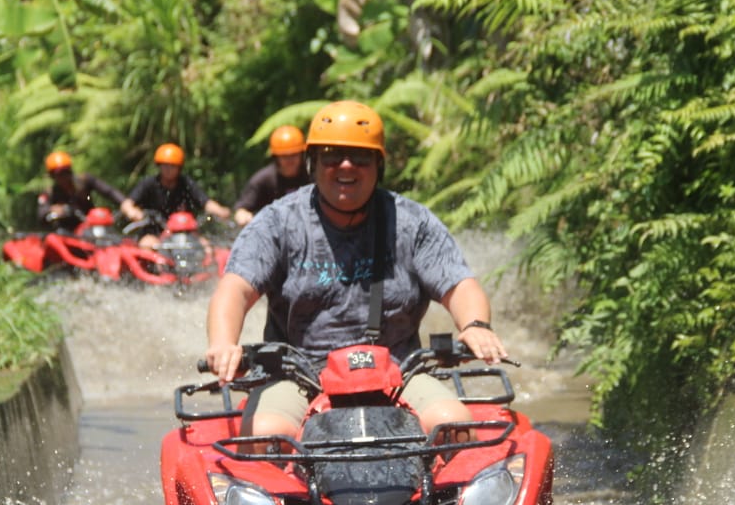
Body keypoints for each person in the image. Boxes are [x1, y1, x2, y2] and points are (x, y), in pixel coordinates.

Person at [204, 100, 508, 441]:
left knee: (451, 425)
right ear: (313, 163)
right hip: (298, 375)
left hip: (398, 371)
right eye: (332, 156)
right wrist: (223, 343)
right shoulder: (277, 222)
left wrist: (475, 326)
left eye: (361, 157)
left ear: (379, 165)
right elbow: (235, 289)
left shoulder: (413, 222)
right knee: (266, 436)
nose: (346, 165)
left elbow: (460, 285)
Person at [120, 143, 231, 247]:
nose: (168, 169)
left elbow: (206, 202)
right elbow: (127, 204)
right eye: (165, 165)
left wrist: (220, 210)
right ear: (159, 166)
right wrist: (133, 212)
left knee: (207, 247)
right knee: (147, 245)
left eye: (172, 166)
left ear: (179, 168)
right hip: (154, 232)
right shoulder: (149, 183)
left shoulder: (186, 183)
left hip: (186, 232)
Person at [232, 124, 311, 227]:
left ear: (302, 154)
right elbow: (241, 210)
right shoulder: (262, 180)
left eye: (294, 154)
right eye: (284, 156)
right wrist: (243, 216)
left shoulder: (311, 175)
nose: (290, 160)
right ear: (276, 157)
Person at [36, 151, 126, 231]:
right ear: (52, 176)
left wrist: (125, 203)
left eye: (66, 172)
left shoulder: (84, 180)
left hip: (93, 226)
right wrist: (53, 210)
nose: (63, 177)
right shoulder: (49, 193)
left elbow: (109, 191)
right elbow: (41, 214)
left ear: (70, 170)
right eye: (59, 174)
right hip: (68, 234)